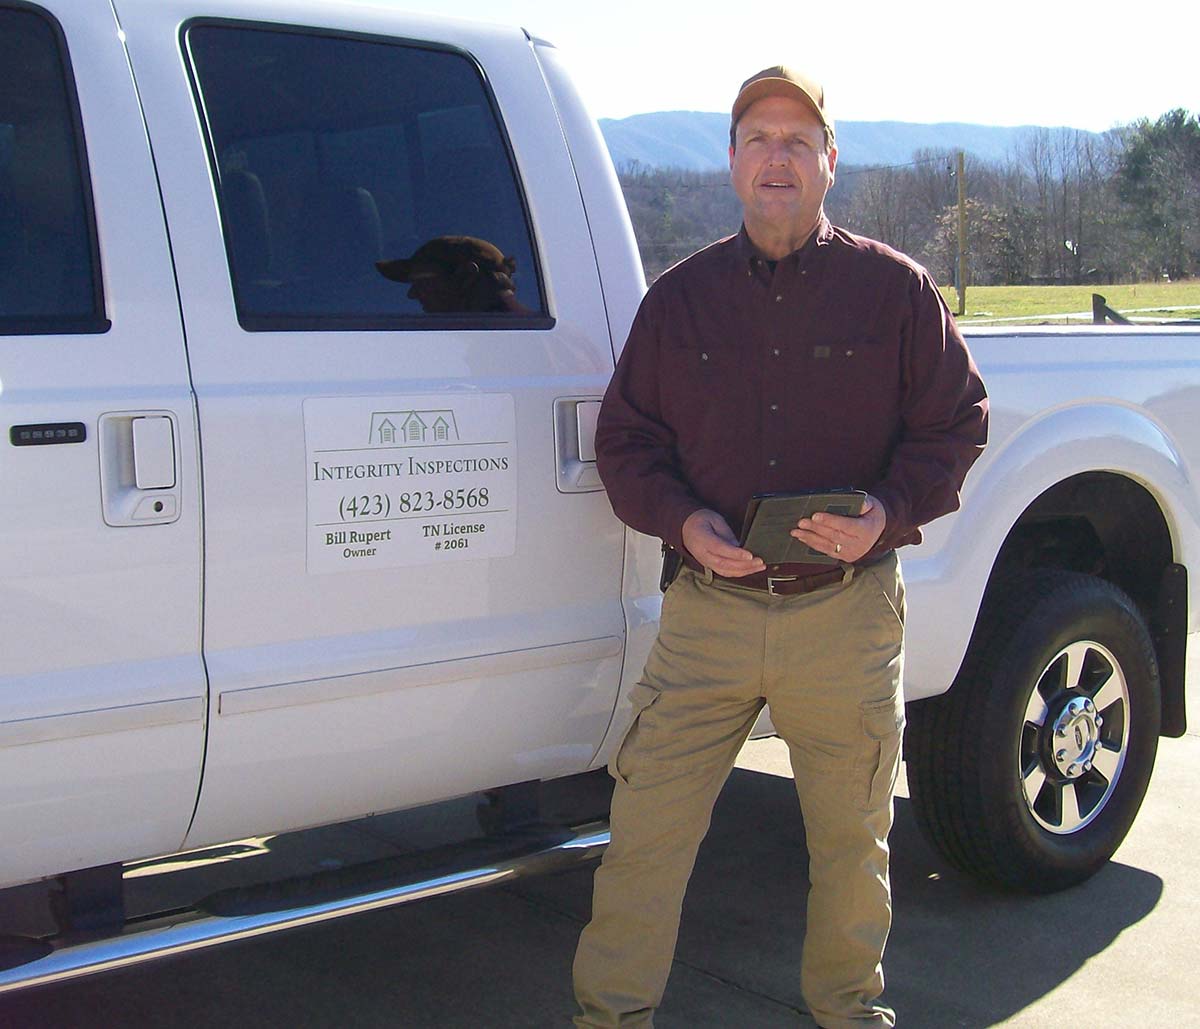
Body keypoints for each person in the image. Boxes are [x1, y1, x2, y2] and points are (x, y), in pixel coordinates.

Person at [572, 66, 988, 1028]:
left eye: (799, 140)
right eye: (758, 137)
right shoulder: (680, 301)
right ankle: (609, 1017)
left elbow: (956, 423)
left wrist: (886, 511)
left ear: (830, 161)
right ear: (730, 161)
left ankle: (848, 1012)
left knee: (853, 845)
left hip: (845, 614)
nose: (777, 157)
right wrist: (685, 522)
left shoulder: (895, 292)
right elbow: (627, 443)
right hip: (707, 618)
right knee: (644, 837)